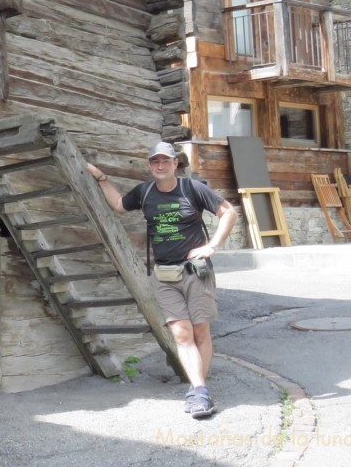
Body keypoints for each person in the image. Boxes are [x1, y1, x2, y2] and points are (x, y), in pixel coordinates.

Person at [86, 141, 238, 419]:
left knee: (200, 331)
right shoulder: (145, 193)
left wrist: (212, 245)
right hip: (165, 274)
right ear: (149, 165)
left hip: (195, 271)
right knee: (181, 333)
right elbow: (119, 205)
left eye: (165, 161)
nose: (160, 165)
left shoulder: (192, 189)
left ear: (174, 164)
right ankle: (200, 390)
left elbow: (229, 211)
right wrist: (102, 178)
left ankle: (197, 390)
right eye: (154, 161)